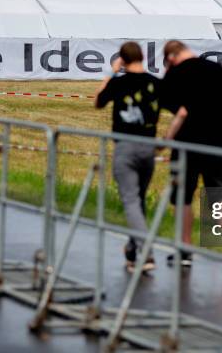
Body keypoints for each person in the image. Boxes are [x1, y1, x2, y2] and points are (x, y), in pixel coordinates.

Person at [161, 40, 222, 271]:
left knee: (183, 196)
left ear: (171, 58)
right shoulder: (215, 68)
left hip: (187, 143)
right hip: (219, 139)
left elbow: (177, 109)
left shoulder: (175, 74)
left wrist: (168, 72)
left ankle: (184, 249)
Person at [94, 42, 161, 273]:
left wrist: (112, 72)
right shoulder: (155, 83)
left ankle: (147, 253)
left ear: (122, 59)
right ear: (143, 57)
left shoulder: (119, 83)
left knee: (131, 202)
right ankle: (133, 249)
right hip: (149, 148)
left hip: (126, 147)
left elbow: (98, 101)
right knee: (139, 200)